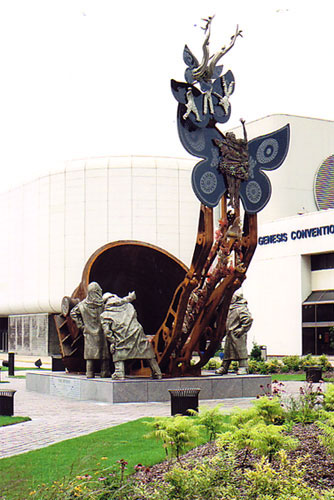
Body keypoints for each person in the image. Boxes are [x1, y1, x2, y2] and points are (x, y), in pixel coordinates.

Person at [101, 291, 162, 380]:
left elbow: (107, 332)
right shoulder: (129, 306)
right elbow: (135, 315)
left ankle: (119, 372)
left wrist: (113, 341)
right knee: (147, 352)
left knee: (117, 350)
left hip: (121, 337)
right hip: (137, 333)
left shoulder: (105, 315)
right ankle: (157, 372)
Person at [70, 282, 110, 378]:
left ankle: (90, 373)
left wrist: (81, 325)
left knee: (90, 355)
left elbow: (73, 313)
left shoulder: (82, 305)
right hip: (101, 332)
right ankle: (104, 372)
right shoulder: (103, 305)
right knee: (104, 354)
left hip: (88, 332)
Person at [215, 290, 253, 375]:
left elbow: (248, 319)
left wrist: (242, 329)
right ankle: (225, 367)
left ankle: (243, 367)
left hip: (237, 334)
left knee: (240, 351)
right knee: (227, 352)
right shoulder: (231, 307)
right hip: (230, 334)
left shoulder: (241, 308)